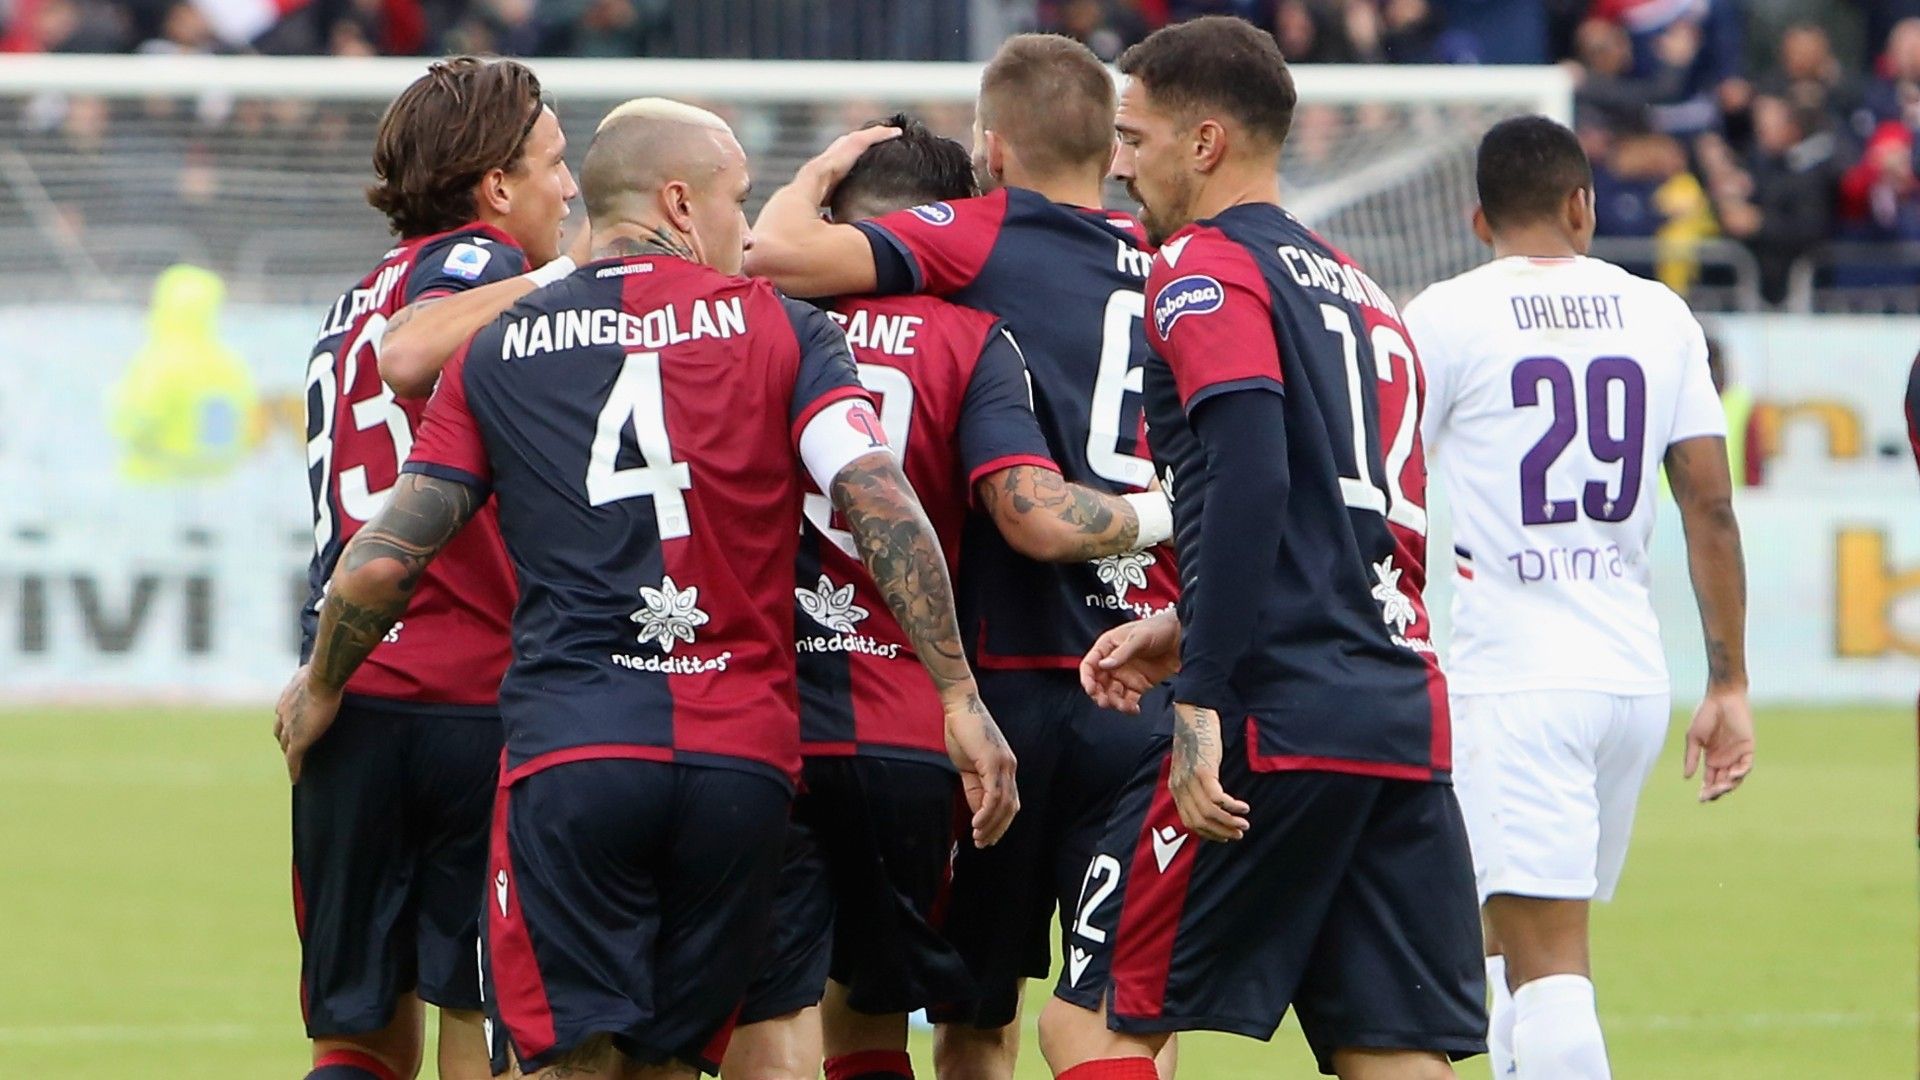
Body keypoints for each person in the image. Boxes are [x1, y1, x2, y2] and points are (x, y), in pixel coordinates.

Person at [275, 98, 1019, 1080]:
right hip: (740, 764)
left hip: (572, 755)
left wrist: (325, 678)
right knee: (674, 1062)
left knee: (570, 1062)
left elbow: (385, 554)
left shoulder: (501, 346)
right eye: (738, 201)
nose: (748, 231)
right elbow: (877, 499)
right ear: (679, 201)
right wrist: (960, 696)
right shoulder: (786, 330)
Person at [1041, 16, 1486, 1080]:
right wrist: (1185, 616)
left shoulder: (1204, 268)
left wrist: (1198, 690)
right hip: (1397, 712)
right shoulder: (1367, 292)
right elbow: (1349, 526)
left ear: (1205, 144)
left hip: (1272, 714)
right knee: (1392, 1052)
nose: (1118, 161)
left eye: (1136, 137)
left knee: (1092, 1023)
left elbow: (1251, 476)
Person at [747, 34, 1179, 1080]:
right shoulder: (1181, 260)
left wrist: (820, 170)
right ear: (1116, 149)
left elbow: (772, 252)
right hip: (1152, 663)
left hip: (1008, 673)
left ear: (992, 149)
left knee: (965, 1015)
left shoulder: (981, 236)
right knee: (1129, 1015)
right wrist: (1171, 515)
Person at [1401, 115, 1755, 1080]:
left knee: (1549, 970)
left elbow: (1389, 481)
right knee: (1514, 951)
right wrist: (1728, 683)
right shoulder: (1660, 315)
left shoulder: (1445, 316)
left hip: (1513, 682)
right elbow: (1710, 507)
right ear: (1583, 206)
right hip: (1627, 681)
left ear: (1479, 220)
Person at [288, 55, 578, 1080]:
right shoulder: (487, 274)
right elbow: (423, 353)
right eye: (553, 163)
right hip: (476, 698)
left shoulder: (348, 302)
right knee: (481, 1020)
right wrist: (574, 272)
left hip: (353, 693)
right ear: (496, 188)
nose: (571, 188)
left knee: (357, 1033)